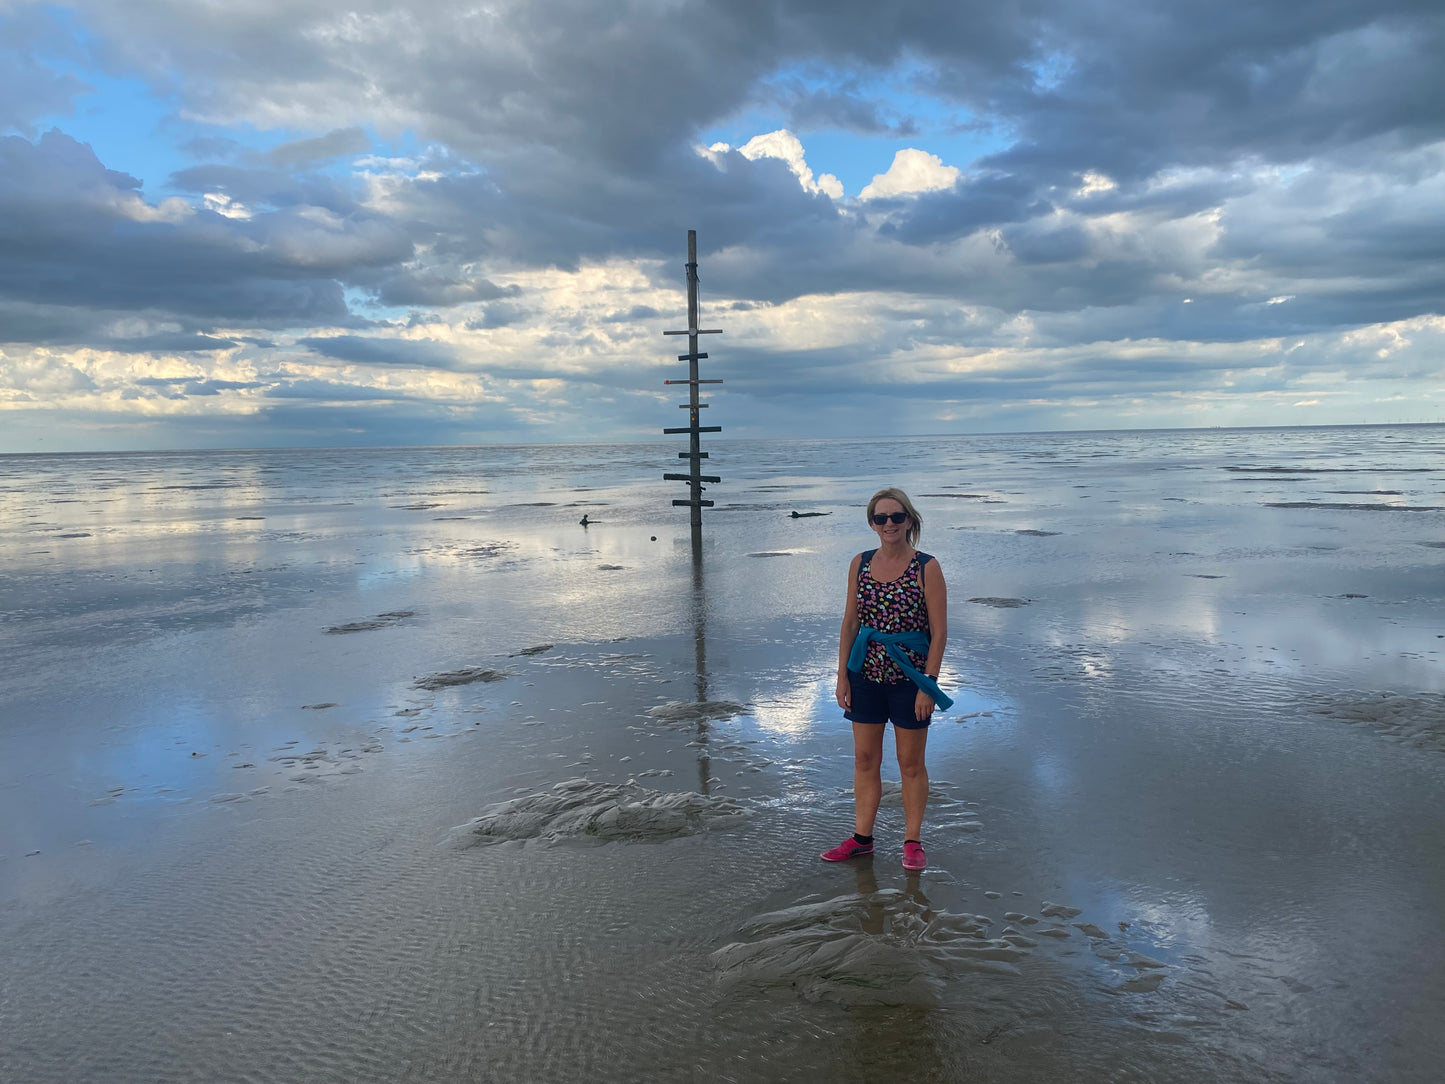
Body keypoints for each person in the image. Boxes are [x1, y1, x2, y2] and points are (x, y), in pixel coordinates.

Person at [823, 488, 951, 871]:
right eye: (881, 518)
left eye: (897, 517)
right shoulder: (860, 563)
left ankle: (912, 841)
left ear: (909, 520)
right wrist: (843, 675)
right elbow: (849, 623)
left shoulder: (926, 566)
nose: (889, 524)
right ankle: (862, 839)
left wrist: (929, 684)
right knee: (865, 759)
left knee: (910, 762)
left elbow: (940, 632)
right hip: (866, 674)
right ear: (871, 523)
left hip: (911, 678)